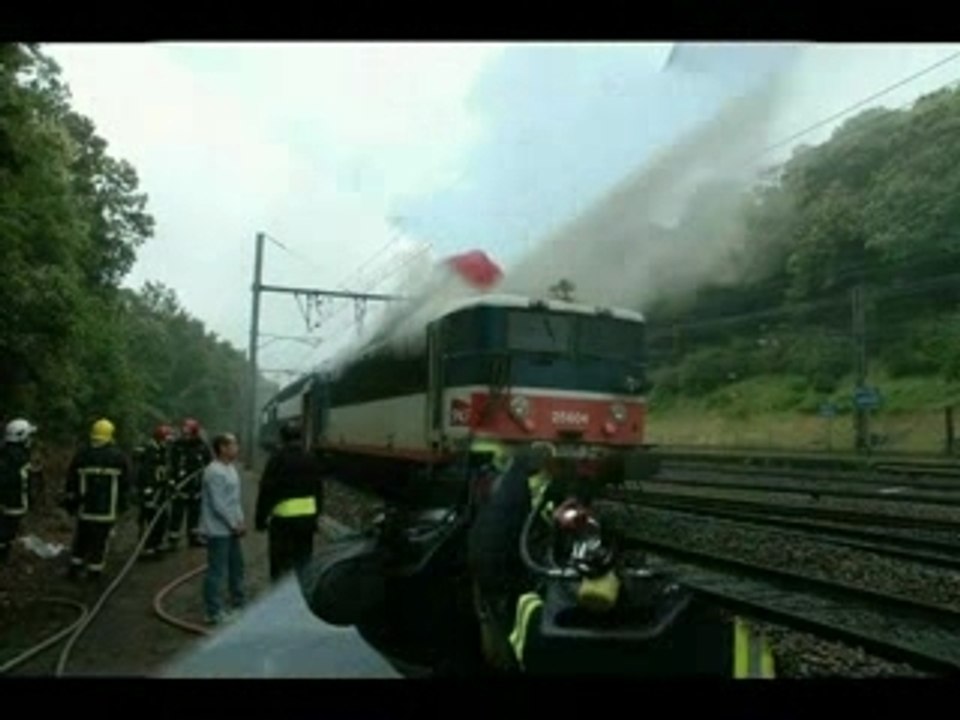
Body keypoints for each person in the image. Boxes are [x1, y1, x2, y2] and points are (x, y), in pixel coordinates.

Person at [62, 418, 133, 581]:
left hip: (85, 508)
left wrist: (71, 502)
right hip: (106, 510)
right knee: (100, 541)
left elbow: (71, 480)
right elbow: (126, 483)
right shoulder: (118, 456)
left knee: (81, 539)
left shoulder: (82, 454)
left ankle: (75, 568)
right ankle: (94, 572)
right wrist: (123, 505)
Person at [254, 422, 324, 582]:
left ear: (282, 438)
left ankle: (280, 592)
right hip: (306, 522)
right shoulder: (311, 458)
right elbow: (318, 489)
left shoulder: (277, 459)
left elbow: (266, 490)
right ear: (300, 437)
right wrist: (316, 516)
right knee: (303, 561)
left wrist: (260, 519)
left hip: (283, 523)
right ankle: (302, 590)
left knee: (280, 564)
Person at [199, 432, 246, 625]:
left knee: (237, 566)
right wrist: (233, 524)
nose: (237, 448)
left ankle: (238, 603)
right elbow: (218, 504)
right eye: (233, 445)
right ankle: (213, 612)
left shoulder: (231, 469)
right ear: (222, 448)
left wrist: (240, 521)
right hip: (218, 530)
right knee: (217, 571)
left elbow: (234, 500)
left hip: (232, 528)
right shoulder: (214, 472)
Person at [0, 418, 41, 562]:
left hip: (6, 502)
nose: (30, 439)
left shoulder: (5, 452)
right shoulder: (19, 457)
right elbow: (17, 481)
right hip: (13, 502)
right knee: (6, 532)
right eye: (29, 436)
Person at [168, 418, 212, 548]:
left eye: (188, 434)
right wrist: (171, 481)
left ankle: (193, 537)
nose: (186, 436)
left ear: (195, 433)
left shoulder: (202, 446)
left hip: (196, 486)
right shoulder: (177, 446)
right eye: (184, 434)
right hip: (179, 486)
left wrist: (205, 479)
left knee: (195, 513)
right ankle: (173, 539)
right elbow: (170, 464)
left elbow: (208, 464)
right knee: (176, 514)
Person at [135, 424, 174, 559]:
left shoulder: (162, 450)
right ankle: (147, 547)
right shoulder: (150, 451)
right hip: (151, 492)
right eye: (166, 440)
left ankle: (157, 544)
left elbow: (163, 469)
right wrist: (147, 489)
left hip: (160, 490)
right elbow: (145, 472)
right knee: (149, 519)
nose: (168, 443)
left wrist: (169, 482)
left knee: (162, 518)